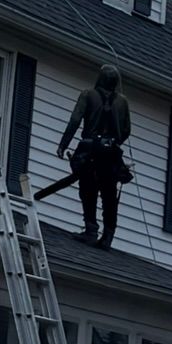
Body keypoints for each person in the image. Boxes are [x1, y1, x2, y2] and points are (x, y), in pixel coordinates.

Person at [56, 63, 132, 247]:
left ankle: (91, 230)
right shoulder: (122, 102)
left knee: (88, 189)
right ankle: (108, 236)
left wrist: (63, 145)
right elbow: (127, 129)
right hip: (111, 154)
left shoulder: (88, 95)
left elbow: (75, 120)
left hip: (89, 151)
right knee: (109, 193)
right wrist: (114, 142)